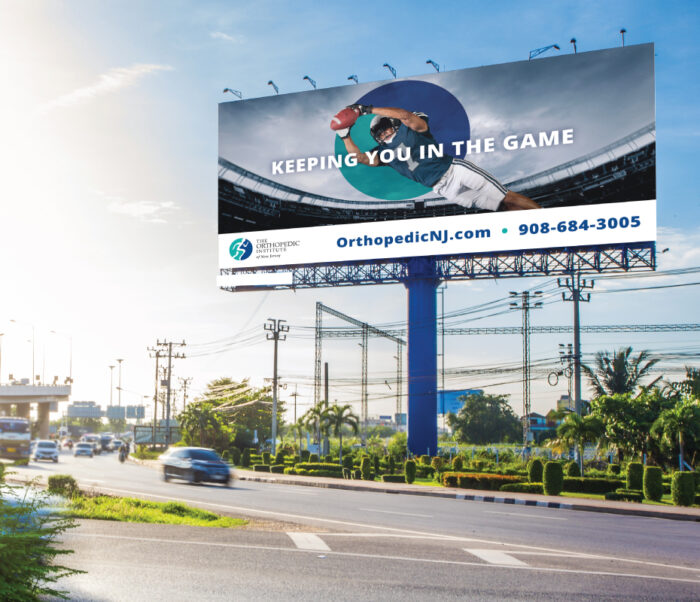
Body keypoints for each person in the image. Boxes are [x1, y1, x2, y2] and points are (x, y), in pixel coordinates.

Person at [338, 104, 540, 212]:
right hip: (443, 189)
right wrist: (345, 136)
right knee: (500, 206)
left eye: (385, 129)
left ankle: (550, 221)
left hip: (455, 171)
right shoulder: (383, 153)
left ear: (394, 123)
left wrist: (367, 110)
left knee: (506, 196)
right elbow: (361, 158)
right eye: (379, 134)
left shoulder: (410, 129)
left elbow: (407, 117)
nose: (383, 135)